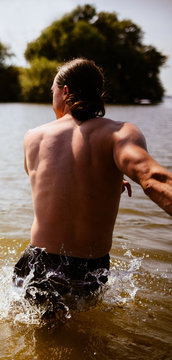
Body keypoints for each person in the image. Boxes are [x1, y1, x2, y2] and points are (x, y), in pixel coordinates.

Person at [14, 58, 172, 316]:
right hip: (91, 268)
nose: (52, 98)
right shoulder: (119, 133)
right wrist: (106, 174)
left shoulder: (34, 137)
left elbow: (46, 180)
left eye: (52, 92)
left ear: (64, 92)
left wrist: (100, 175)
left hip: (40, 262)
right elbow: (152, 179)